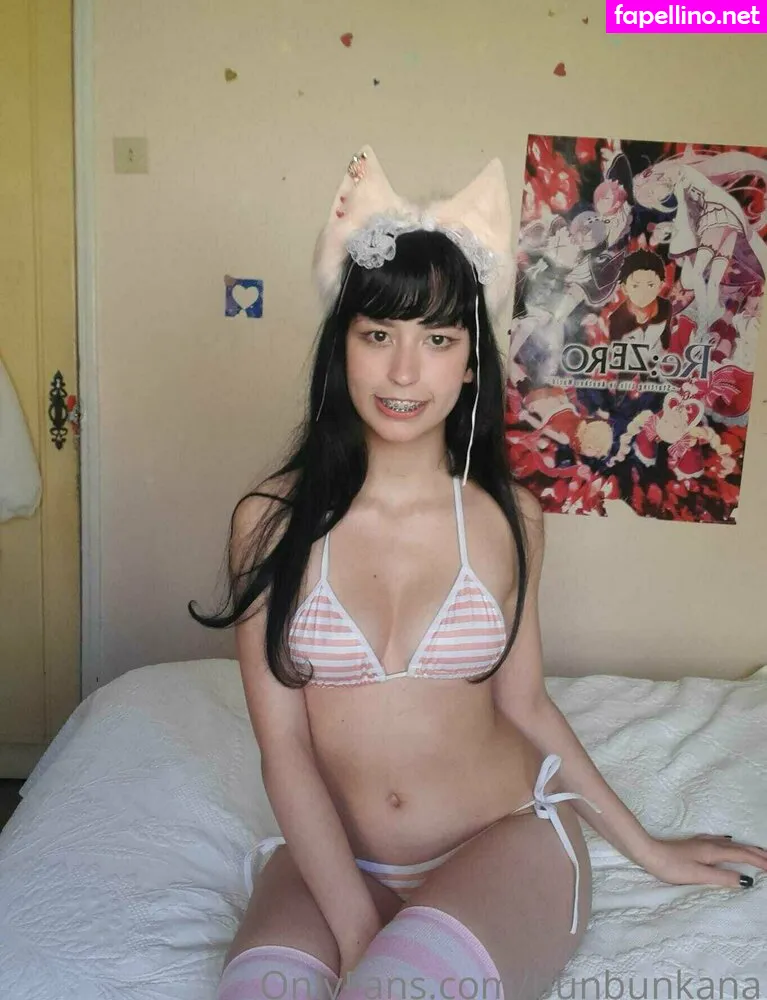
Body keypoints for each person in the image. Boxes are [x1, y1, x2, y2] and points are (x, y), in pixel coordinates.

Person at [190, 146, 765, 1000]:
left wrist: (647, 849)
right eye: (377, 334)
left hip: (500, 839)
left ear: (469, 362)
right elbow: (284, 747)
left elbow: (526, 707)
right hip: (334, 857)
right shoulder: (268, 522)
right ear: (341, 348)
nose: (403, 370)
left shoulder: (507, 519)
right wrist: (358, 931)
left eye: (437, 339)